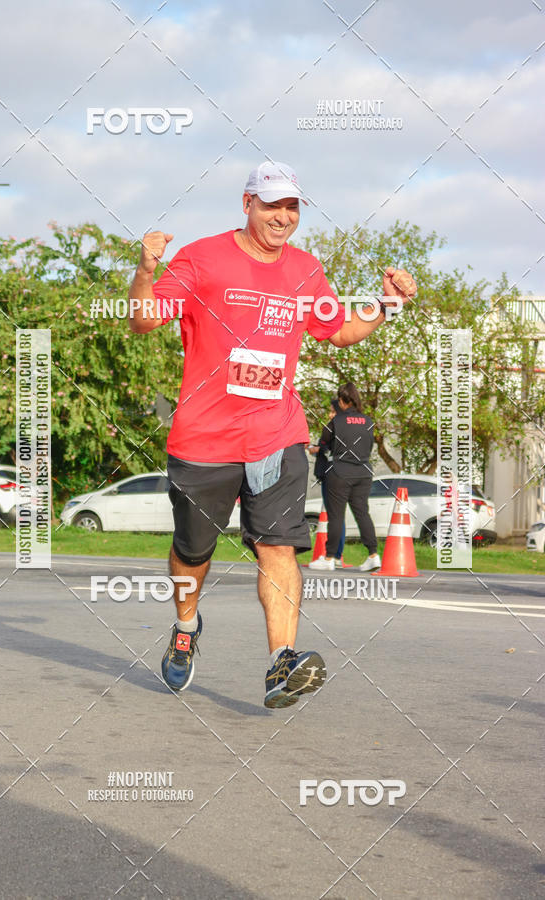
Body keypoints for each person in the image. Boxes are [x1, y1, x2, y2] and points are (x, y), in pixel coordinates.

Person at [128, 160, 416, 708]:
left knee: (278, 548)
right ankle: (186, 625)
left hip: (277, 435)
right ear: (247, 204)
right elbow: (144, 318)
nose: (283, 216)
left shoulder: (307, 271)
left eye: (292, 207)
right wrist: (146, 270)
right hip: (204, 438)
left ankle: (282, 663)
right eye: (272, 205)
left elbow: (339, 331)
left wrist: (385, 305)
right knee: (192, 553)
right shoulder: (202, 258)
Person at [309, 382, 380, 572]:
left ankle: (330, 557)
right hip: (363, 471)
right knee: (362, 513)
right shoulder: (368, 421)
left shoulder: (336, 422)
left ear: (341, 400)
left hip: (340, 472)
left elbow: (325, 444)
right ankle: (373, 555)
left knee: (336, 516)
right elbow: (369, 445)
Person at [308, 397, 346, 564]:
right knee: (336, 516)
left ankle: (333, 556)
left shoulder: (337, 429)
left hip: (332, 475)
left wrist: (317, 449)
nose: (330, 415)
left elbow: (331, 449)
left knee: (335, 516)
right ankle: (335, 555)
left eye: (333, 411)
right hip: (332, 474)